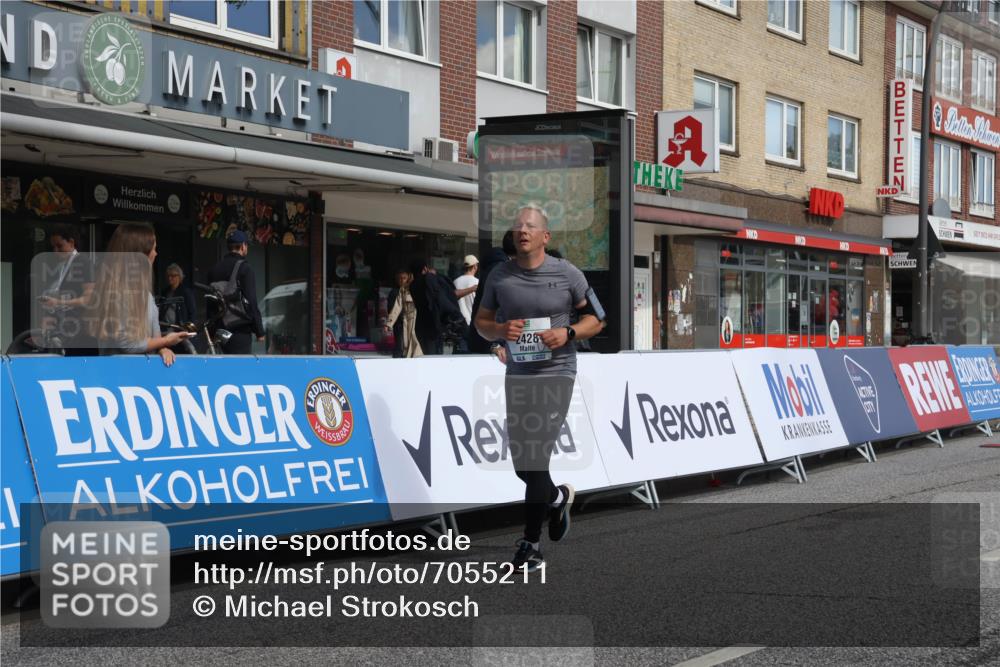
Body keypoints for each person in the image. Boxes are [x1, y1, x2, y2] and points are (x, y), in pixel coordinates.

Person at [474, 204, 606, 572]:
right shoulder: (499, 276)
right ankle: (557, 498)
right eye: (517, 226)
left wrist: (569, 332)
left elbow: (598, 318)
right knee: (523, 465)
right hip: (519, 375)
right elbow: (481, 322)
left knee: (534, 458)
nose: (522, 231)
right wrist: (499, 330)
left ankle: (530, 545)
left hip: (557, 372)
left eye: (530, 226)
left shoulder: (567, 273)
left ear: (545, 236)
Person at [91, 223, 193, 367]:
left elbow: (154, 335)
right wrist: (166, 341)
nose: (156, 254)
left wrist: (162, 349)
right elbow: (127, 344)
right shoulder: (116, 292)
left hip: (142, 373)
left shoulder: (145, 294)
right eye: (153, 249)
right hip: (118, 373)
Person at [39, 225, 96, 355]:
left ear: (71, 242)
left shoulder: (83, 262)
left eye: (59, 246)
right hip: (67, 329)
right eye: (53, 247)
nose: (56, 251)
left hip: (80, 333)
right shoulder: (63, 265)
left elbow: (89, 299)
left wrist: (57, 302)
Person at [206, 230, 265, 354]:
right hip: (239, 331)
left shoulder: (213, 270)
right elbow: (251, 302)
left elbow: (210, 302)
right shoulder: (245, 269)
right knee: (240, 365)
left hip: (219, 330)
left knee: (223, 364)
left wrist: (211, 331)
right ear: (243, 246)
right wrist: (259, 331)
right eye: (246, 245)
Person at [466, 231, 516, 355]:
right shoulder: (500, 270)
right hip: (491, 344)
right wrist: (496, 343)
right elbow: (494, 308)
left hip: (486, 341)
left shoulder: (496, 266)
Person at [384, 270, 422, 358]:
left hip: (418, 324)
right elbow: (397, 307)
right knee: (404, 348)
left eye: (404, 278)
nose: (402, 280)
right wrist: (389, 323)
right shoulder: (402, 290)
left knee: (417, 349)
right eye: (400, 278)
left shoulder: (420, 288)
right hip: (405, 323)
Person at [453, 255, 479, 325]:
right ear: (475, 266)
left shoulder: (455, 281)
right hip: (472, 323)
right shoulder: (477, 282)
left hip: (458, 322)